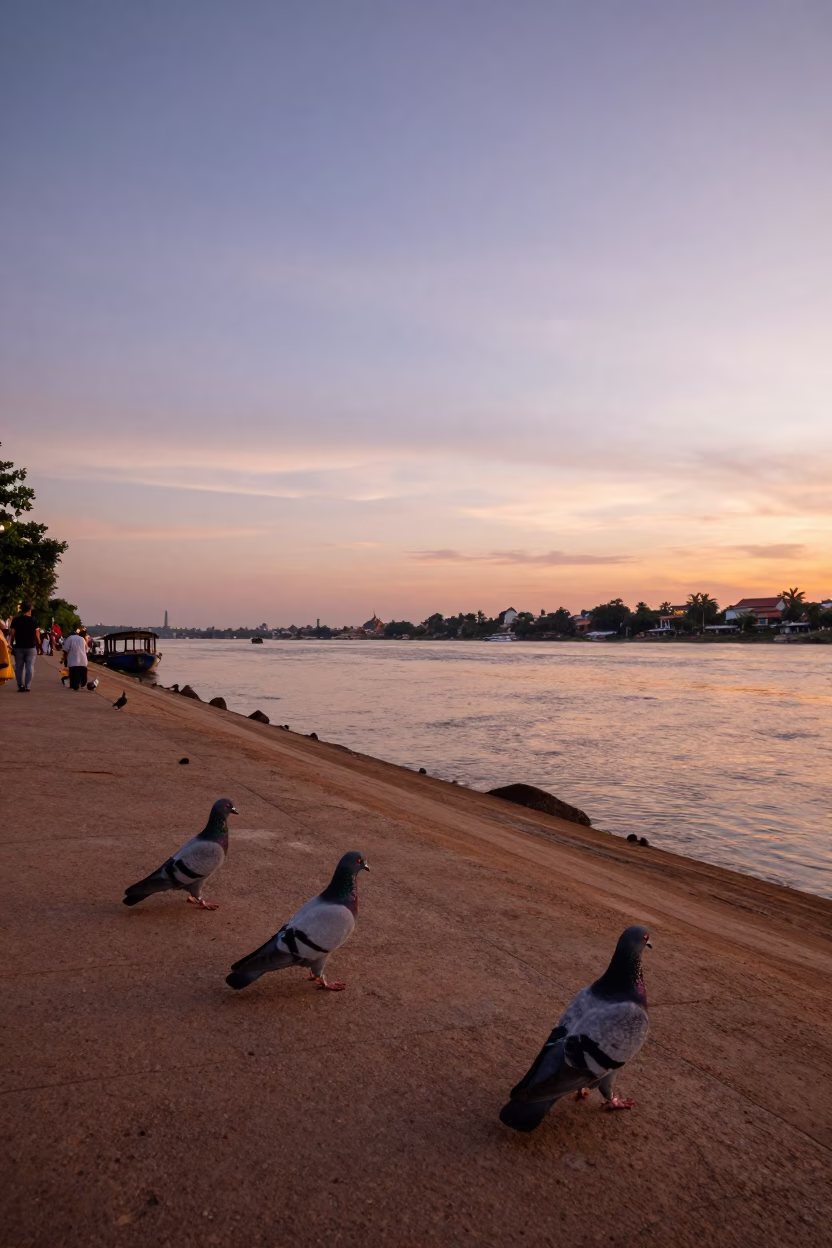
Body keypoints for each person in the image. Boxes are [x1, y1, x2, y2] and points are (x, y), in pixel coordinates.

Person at [10, 601, 41, 692]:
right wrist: (39, 643)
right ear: (30, 609)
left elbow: (12, 633)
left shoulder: (16, 620)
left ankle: (20, 685)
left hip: (18, 646)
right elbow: (37, 634)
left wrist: (12, 644)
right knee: (30, 666)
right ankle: (27, 686)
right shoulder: (33, 620)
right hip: (31, 647)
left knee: (19, 667)